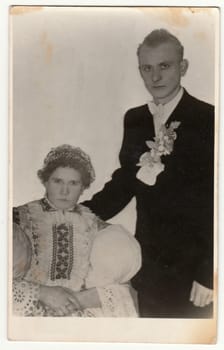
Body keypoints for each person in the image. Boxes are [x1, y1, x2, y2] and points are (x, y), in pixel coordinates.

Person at [83, 29, 214, 318]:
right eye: (147, 68)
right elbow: (125, 182)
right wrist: (77, 213)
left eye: (164, 66)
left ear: (183, 67)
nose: (155, 77)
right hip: (149, 263)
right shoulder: (136, 119)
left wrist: (211, 272)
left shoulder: (210, 119)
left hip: (197, 271)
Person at [12, 144, 141, 317]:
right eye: (57, 181)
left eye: (73, 183)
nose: (64, 191)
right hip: (29, 311)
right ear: (45, 181)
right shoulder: (16, 218)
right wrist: (42, 293)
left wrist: (79, 300)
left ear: (83, 187)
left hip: (80, 313)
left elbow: (121, 286)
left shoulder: (96, 226)